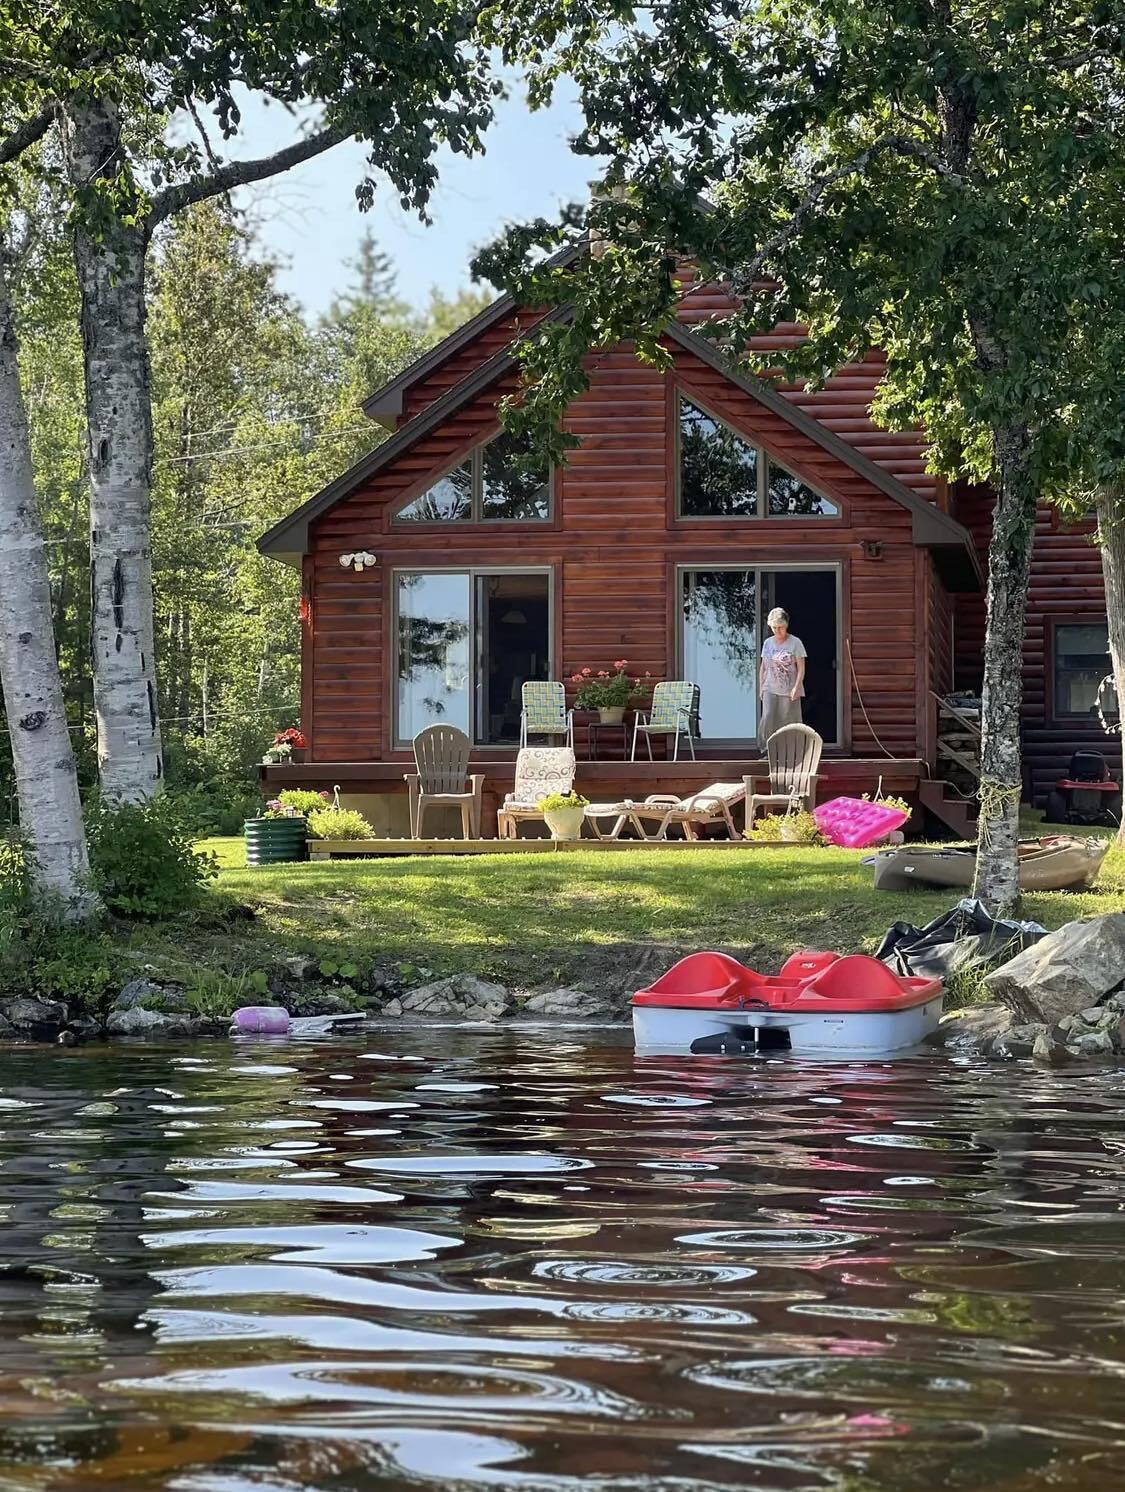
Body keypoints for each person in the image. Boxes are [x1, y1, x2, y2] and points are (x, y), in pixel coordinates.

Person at [759, 607, 806, 749]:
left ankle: (787, 750)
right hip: (770, 686)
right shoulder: (768, 643)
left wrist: (797, 687)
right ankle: (767, 749)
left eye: (780, 627)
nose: (777, 631)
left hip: (789, 687)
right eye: (774, 627)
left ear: (786, 625)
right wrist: (761, 687)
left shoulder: (795, 642)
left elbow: (801, 667)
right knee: (767, 717)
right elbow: (763, 666)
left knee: (786, 719)